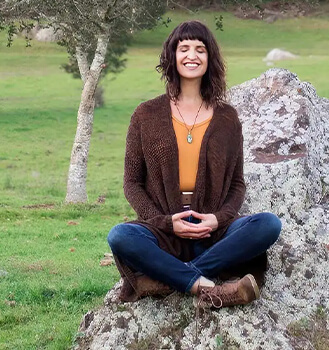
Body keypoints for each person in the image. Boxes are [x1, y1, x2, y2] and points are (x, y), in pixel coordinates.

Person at [107, 20, 281, 307]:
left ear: (209, 58)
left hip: (213, 232)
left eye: (200, 49)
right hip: (164, 231)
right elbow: (132, 183)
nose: (192, 55)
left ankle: (174, 278)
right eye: (184, 48)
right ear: (172, 57)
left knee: (268, 225)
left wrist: (218, 218)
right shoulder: (145, 115)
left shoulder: (227, 118)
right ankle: (211, 287)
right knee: (121, 235)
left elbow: (237, 183)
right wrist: (165, 222)